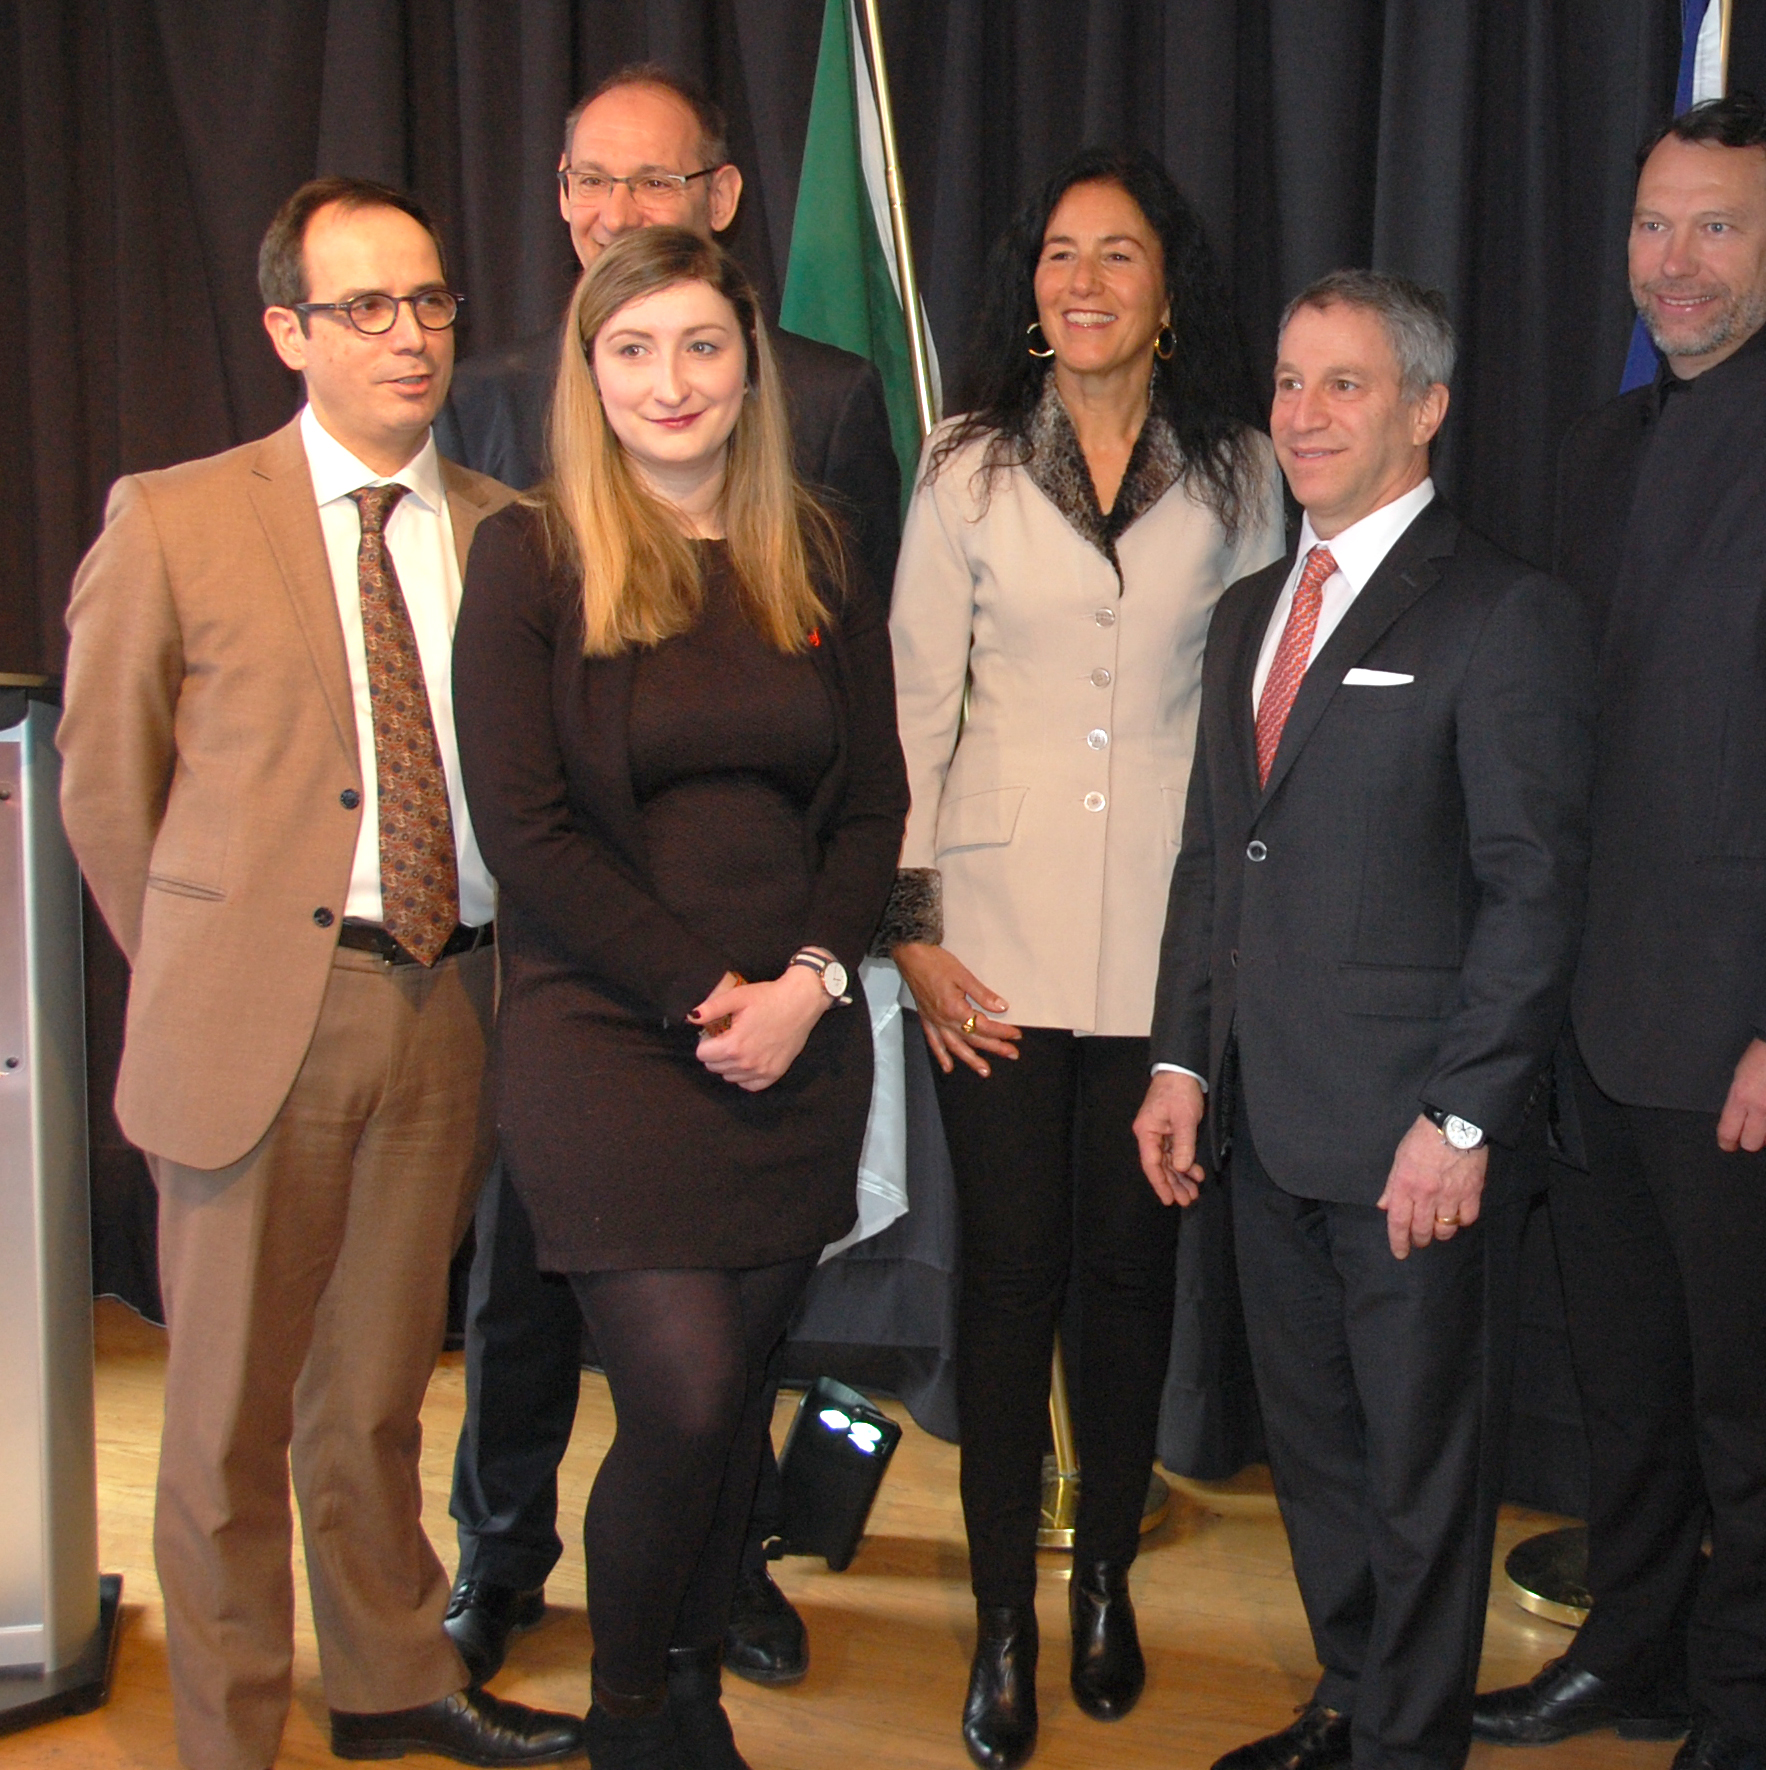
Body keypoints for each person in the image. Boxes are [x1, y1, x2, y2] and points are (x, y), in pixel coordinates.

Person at [58, 177, 581, 1770]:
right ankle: (227, 1732)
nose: (409, 335)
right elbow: (105, 785)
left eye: (429, 301)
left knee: (372, 1393)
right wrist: (207, 970)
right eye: (366, 307)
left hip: (449, 1009)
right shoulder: (175, 516)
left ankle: (389, 1679)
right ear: (289, 330)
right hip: (254, 1028)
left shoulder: (512, 533)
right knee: (223, 1414)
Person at [1473, 98, 1766, 1770]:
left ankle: (1740, 1715)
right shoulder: (1593, 449)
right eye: (1654, 224)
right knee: (1624, 1385)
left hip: (1744, 1027)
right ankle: (1634, 1657)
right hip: (1589, 1023)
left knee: (1751, 1407)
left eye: (1718, 225)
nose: (1676, 260)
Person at [436, 60, 901, 1692]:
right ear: (588, 370)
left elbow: (873, 805)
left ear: (750, 362)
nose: (673, 379)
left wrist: (809, 988)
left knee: (736, 1381)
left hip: (797, 1046)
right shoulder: (528, 556)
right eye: (633, 349)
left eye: (703, 345)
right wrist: (712, 994)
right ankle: (642, 1718)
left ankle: (691, 1697)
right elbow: (528, 833)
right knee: (689, 1396)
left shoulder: (814, 552)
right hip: (614, 1039)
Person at [1136, 269, 1594, 1770]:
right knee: (1318, 1452)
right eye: (1289, 381)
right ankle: (1349, 1699)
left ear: (1426, 408)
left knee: (1420, 1472)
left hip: (1413, 1142)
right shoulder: (1246, 615)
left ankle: (1408, 1744)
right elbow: (1218, 856)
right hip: (1263, 1121)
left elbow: (1533, 891)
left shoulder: (1504, 611)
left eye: (1346, 383)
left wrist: (1462, 1116)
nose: (1306, 413)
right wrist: (1181, 1057)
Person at [885, 145, 1281, 1768]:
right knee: (1006, 1280)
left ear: (1167, 288)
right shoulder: (967, 463)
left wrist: (1241, 939)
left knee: (1129, 1281)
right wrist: (909, 929)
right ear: (1031, 287)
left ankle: (1104, 1573)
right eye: (1062, 253)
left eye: (1119, 253)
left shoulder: (1244, 468)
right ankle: (1001, 1618)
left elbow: (1259, 718)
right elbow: (913, 698)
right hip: (990, 939)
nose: (1087, 279)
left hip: (1168, 943)